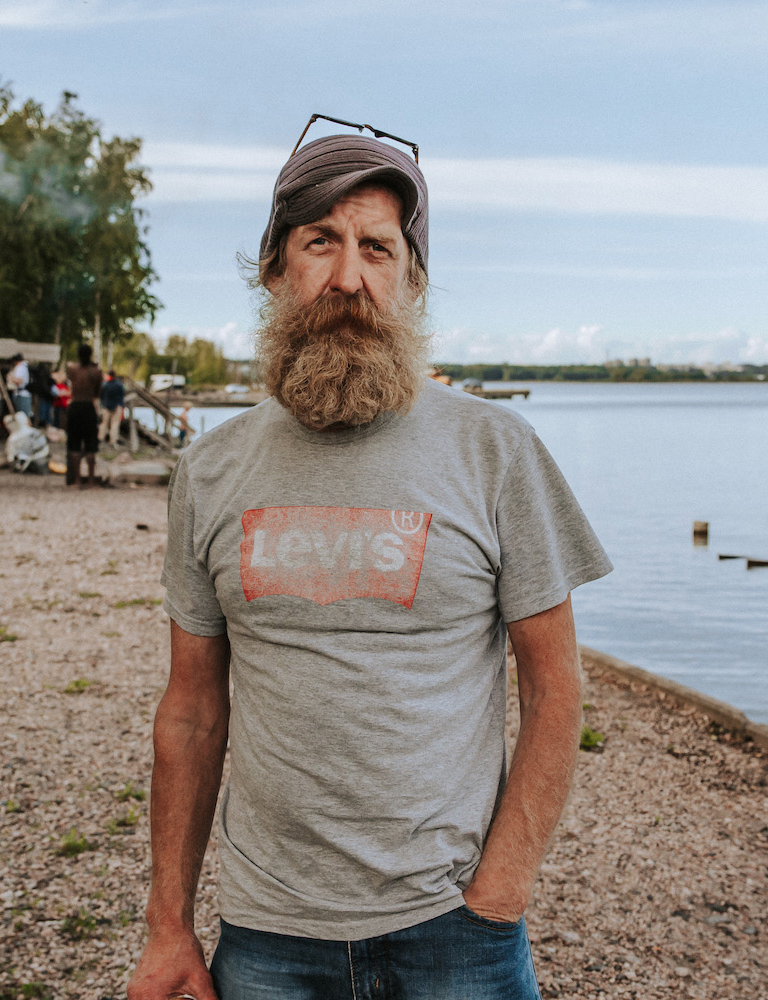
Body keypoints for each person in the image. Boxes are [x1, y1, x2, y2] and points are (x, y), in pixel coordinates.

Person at [129, 128, 612, 1000]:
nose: (349, 277)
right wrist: (169, 926)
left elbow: (555, 688)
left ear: (409, 283)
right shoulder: (211, 469)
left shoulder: (495, 450)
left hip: (455, 932)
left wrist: (500, 890)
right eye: (321, 242)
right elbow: (194, 709)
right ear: (274, 272)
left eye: (377, 248)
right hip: (269, 932)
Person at [64, 344, 104, 487]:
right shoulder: (96, 372)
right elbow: (97, 393)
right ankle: (91, 480)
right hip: (88, 406)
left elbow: (69, 370)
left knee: (74, 445)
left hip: (75, 406)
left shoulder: (72, 369)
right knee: (90, 445)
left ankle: (77, 480)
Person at [99, 369, 126, 447]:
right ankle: (113, 440)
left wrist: (103, 403)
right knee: (115, 424)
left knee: (104, 423)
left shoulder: (105, 385)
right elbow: (122, 394)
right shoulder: (119, 384)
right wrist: (122, 405)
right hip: (117, 406)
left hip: (106, 406)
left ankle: (101, 438)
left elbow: (101, 395)